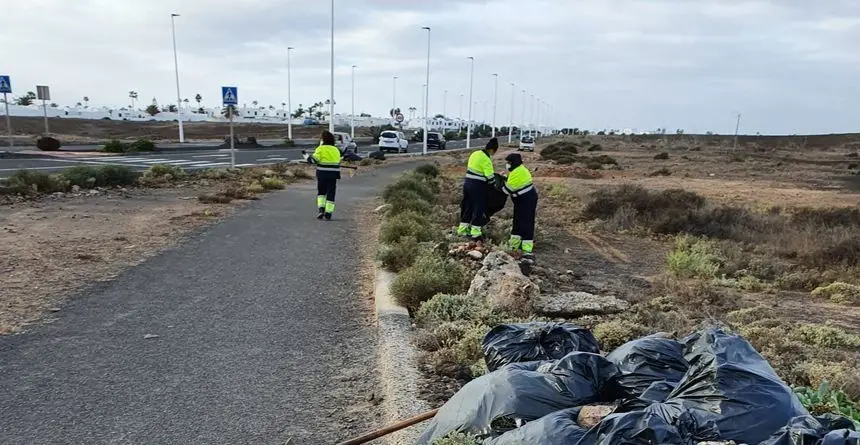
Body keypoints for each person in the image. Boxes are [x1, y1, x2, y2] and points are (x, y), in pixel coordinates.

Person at [458, 137, 499, 240]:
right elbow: (490, 178)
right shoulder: (486, 159)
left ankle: (462, 230)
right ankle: (475, 232)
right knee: (478, 208)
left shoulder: (475, 153)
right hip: (477, 186)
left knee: (467, 206)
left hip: (467, 184)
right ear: (492, 150)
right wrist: (494, 184)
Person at [502, 152, 538, 258]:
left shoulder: (518, 172)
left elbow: (507, 190)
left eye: (509, 162)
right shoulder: (518, 170)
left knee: (526, 222)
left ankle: (527, 249)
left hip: (527, 199)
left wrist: (500, 184)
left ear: (513, 163)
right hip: (521, 200)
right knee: (517, 221)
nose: (507, 164)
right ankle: (514, 245)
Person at [307, 130, 342, 220]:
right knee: (331, 193)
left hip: (322, 174)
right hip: (333, 175)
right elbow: (338, 161)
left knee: (321, 192)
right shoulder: (336, 150)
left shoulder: (320, 149)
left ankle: (321, 210)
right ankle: (328, 213)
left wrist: (308, 157)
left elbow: (314, 160)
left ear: (323, 140)